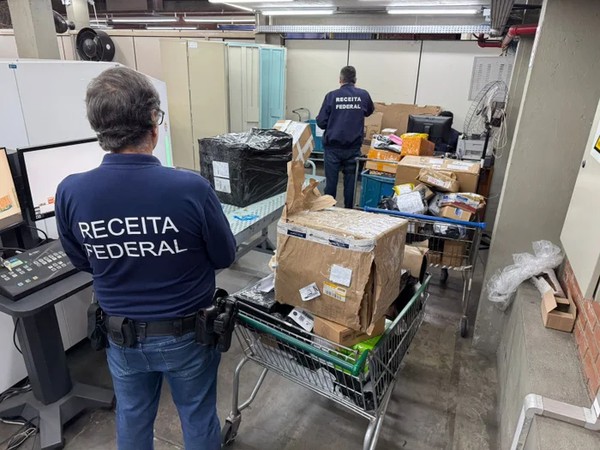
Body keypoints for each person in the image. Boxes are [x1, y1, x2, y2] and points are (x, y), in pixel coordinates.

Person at [55, 67, 237, 450]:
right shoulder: (191, 189)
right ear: (154, 123)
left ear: (100, 130)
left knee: (133, 418)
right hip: (189, 336)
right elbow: (224, 255)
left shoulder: (71, 193)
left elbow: (83, 260)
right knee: (197, 417)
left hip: (121, 338)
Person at [317, 65, 374, 208]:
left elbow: (321, 122)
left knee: (331, 183)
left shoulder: (331, 96)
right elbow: (369, 111)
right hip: (353, 148)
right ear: (355, 80)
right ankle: (348, 211)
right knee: (350, 183)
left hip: (333, 148)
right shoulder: (363, 95)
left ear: (340, 80)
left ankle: (329, 210)